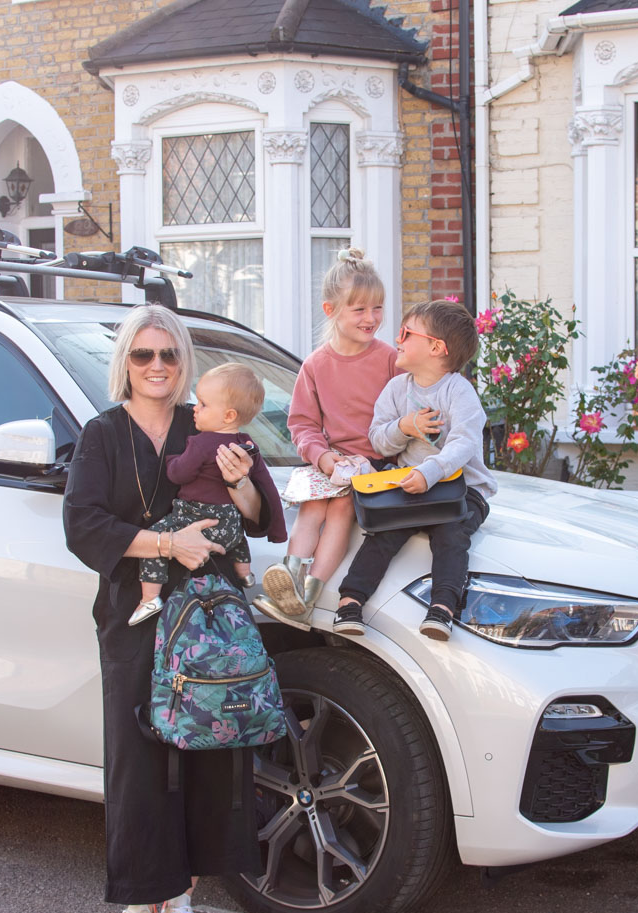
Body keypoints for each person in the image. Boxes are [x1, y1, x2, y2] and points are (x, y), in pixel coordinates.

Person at [63, 303, 286, 913]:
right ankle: (139, 905)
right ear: (125, 364)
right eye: (142, 355)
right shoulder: (103, 435)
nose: (155, 366)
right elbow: (83, 524)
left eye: (167, 355)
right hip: (136, 611)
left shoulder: (210, 422)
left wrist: (243, 489)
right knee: (137, 759)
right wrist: (165, 541)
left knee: (206, 756)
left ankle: (182, 903)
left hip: (210, 612)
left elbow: (259, 510)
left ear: (183, 362)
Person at [332, 299, 497, 641]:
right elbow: (378, 441)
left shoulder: (459, 391)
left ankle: (442, 608)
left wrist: (431, 471)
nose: (397, 338)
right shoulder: (397, 389)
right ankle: (350, 602)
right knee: (382, 534)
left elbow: (464, 443)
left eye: (407, 333)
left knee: (452, 535)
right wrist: (405, 427)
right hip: (409, 484)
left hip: (461, 490)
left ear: (436, 347)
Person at [255, 247, 397, 626]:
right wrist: (321, 457)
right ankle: (290, 588)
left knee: (340, 511)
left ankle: (309, 596)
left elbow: (402, 415)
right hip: (331, 461)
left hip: (374, 464)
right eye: (360, 309)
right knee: (312, 510)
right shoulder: (316, 364)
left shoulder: (390, 360)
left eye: (377, 308)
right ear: (331, 310)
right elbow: (301, 424)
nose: (371, 318)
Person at [129, 362, 265, 626]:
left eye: (202, 404)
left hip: (197, 517)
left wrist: (171, 460)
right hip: (228, 522)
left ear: (227, 415)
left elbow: (179, 474)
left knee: (157, 536)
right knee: (236, 537)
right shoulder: (246, 443)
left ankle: (149, 598)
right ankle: (246, 574)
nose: (195, 408)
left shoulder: (201, 442)